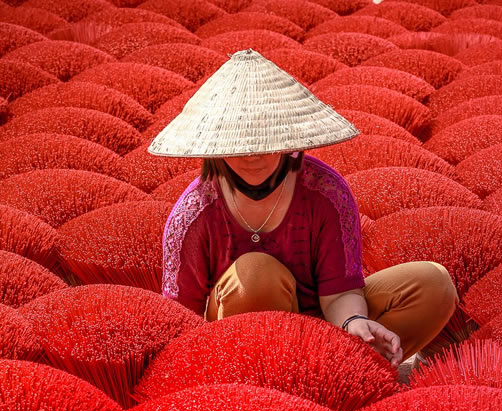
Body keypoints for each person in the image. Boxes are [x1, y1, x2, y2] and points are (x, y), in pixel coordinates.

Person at [150, 49, 458, 369]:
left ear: (289, 136)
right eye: (239, 142)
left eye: (266, 138)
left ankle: (338, 370)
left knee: (432, 285)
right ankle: (271, 376)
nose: (253, 153)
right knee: (256, 273)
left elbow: (339, 293)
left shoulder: (325, 193)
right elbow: (181, 321)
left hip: (323, 330)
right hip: (237, 346)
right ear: (215, 147)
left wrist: (353, 322)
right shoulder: (194, 214)